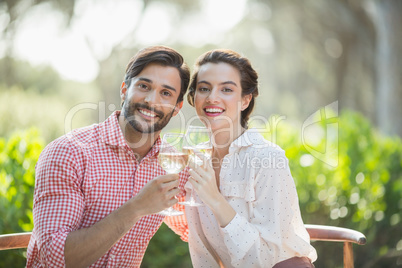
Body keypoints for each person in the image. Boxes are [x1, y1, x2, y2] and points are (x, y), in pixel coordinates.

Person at [26, 46, 191, 267]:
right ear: (124, 89)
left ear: (177, 107)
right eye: (144, 86)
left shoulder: (174, 164)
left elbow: (194, 229)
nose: (152, 101)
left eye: (166, 93)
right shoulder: (68, 152)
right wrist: (137, 207)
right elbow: (55, 258)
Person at [183, 49, 317, 267]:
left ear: (245, 100)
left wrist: (215, 199)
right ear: (194, 97)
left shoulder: (267, 159)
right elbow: (201, 250)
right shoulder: (194, 160)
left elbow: (265, 258)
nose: (212, 97)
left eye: (226, 89)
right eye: (204, 88)